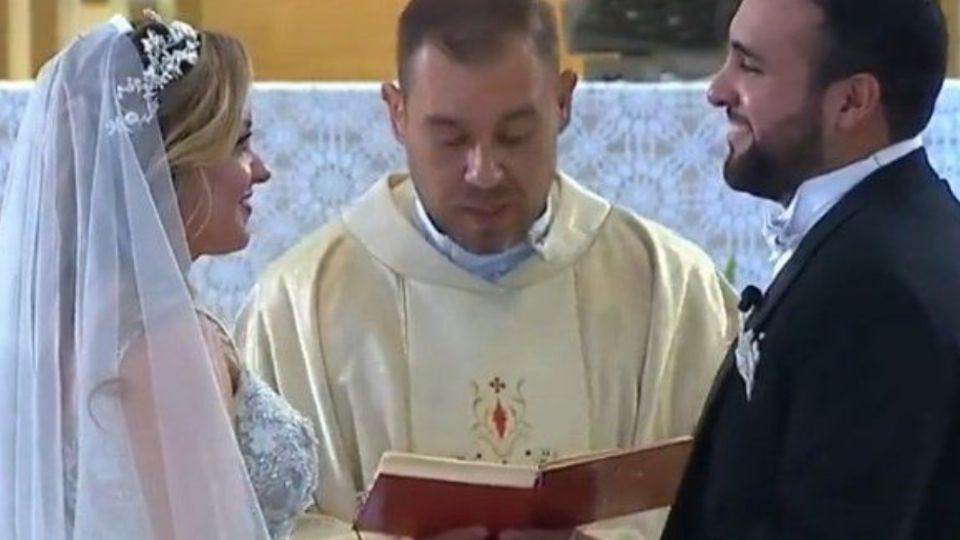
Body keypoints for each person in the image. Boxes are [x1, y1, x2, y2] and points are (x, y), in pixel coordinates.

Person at [237, 0, 737, 538]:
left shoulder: (671, 288)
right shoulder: (296, 307)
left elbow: (734, 499)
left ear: (563, 101)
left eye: (515, 134)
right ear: (396, 113)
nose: (484, 171)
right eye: (450, 138)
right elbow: (251, 520)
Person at [0, 13, 319, 540]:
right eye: (240, 143)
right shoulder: (167, 342)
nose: (260, 169)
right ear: (176, 161)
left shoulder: (51, 327)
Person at [663, 0, 960, 538]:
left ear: (851, 101)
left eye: (749, 66)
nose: (717, 90)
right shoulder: (896, 229)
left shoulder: (877, 291)